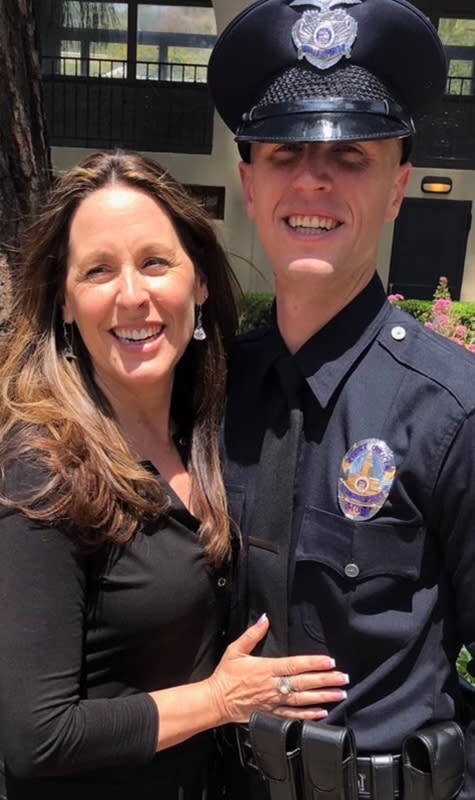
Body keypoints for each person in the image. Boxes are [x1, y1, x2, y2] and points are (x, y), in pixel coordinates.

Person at [0, 150, 350, 800]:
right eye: (98, 270)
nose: (131, 295)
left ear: (199, 282)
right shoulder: (44, 467)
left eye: (154, 262)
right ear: (65, 303)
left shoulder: (214, 429)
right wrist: (220, 700)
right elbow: (35, 735)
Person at [208, 0, 475, 798]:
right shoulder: (207, 388)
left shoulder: (450, 409)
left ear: (396, 189)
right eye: (286, 154)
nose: (313, 179)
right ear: (250, 187)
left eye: (350, 156)